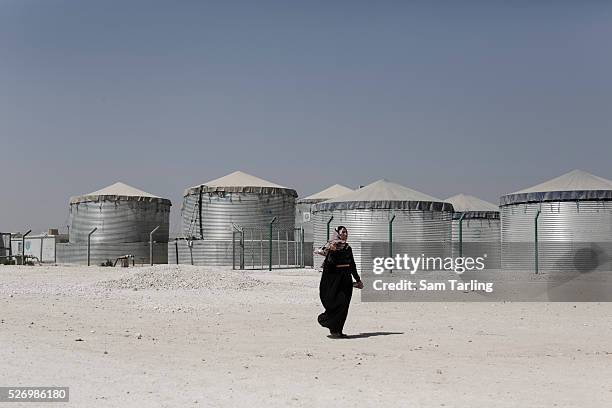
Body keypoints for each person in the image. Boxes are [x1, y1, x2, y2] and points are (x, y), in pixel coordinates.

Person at [316, 226, 363, 338]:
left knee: (345, 304)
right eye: (343, 232)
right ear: (338, 234)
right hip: (335, 279)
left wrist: (357, 279)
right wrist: (332, 251)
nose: (345, 234)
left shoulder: (347, 248)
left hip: (346, 279)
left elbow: (352, 265)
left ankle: (337, 330)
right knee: (337, 302)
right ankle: (327, 320)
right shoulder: (331, 247)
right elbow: (329, 265)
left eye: (347, 232)